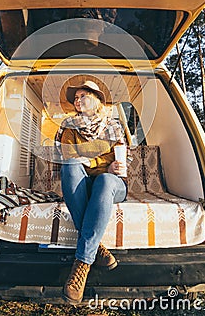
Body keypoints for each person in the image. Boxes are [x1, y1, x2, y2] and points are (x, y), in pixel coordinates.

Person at [55, 80, 127, 304]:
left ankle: (82, 264)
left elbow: (122, 161)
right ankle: (97, 249)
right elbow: (68, 156)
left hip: (112, 185)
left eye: (82, 95)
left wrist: (111, 168)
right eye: (75, 98)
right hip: (84, 184)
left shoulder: (114, 126)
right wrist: (100, 163)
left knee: (105, 180)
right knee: (70, 166)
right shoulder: (68, 126)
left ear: (96, 100)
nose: (77, 100)